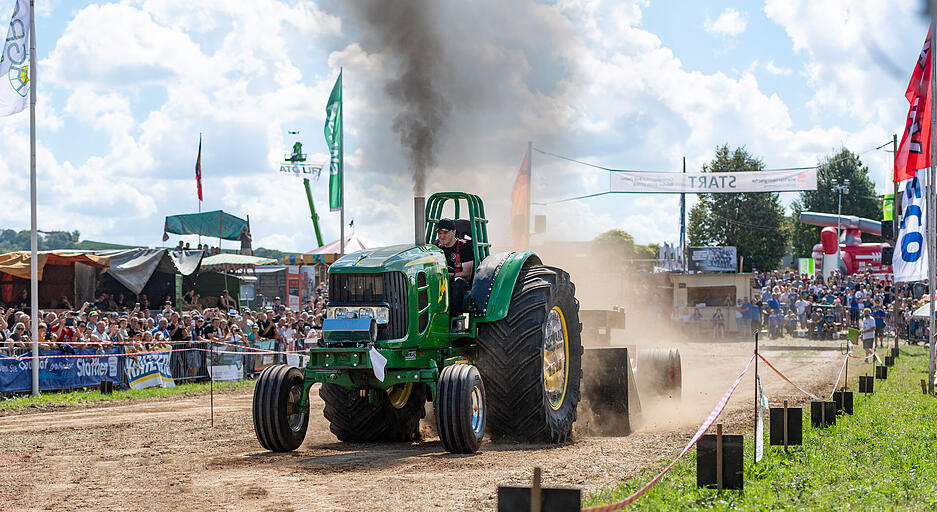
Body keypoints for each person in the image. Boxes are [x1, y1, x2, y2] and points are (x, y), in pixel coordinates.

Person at [435, 218, 474, 316]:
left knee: (459, 282)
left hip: (458, 283)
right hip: (439, 282)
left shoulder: (464, 248)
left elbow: (467, 274)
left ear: (454, 232)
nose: (442, 236)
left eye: (445, 233)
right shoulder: (435, 248)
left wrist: (449, 275)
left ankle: (453, 321)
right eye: (440, 233)